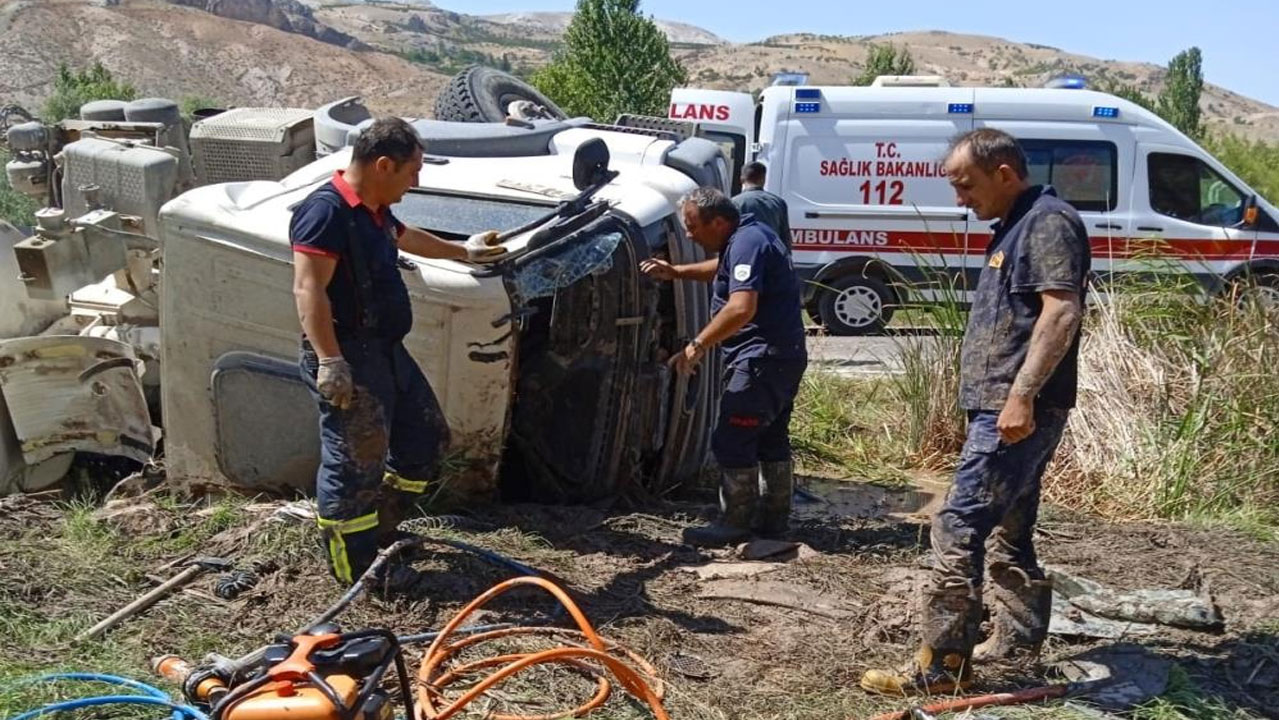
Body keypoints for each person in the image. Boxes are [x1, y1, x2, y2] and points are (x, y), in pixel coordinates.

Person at [861, 128, 1089, 695]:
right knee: (1012, 529)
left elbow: (1061, 313)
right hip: (1003, 407)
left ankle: (942, 667)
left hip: (1013, 410)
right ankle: (1017, 638)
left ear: (1005, 173)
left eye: (966, 185)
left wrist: (1021, 395)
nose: (960, 198)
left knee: (958, 524)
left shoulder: (1048, 222)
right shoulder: (1016, 225)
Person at [291, 117, 506, 592]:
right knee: (353, 466)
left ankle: (380, 526)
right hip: (348, 358)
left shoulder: (374, 209)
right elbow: (309, 289)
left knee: (424, 441)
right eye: (413, 172)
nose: (417, 182)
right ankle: (359, 573)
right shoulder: (325, 212)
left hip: (386, 351)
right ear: (383, 164)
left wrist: (462, 252)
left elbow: (403, 237)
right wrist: (330, 360)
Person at [640, 187, 808, 546]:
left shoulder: (748, 241)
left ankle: (735, 522)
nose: (688, 234)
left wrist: (697, 345)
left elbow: (740, 307)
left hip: (762, 359)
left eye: (692, 226)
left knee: (733, 438)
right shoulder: (750, 237)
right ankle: (773, 522)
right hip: (781, 357)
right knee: (770, 438)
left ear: (718, 221)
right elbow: (726, 270)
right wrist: (677, 272)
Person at [732, 161, 792, 251]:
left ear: (741, 179)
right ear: (763, 179)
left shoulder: (734, 203)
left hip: (744, 255)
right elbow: (785, 238)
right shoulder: (778, 202)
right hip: (771, 256)